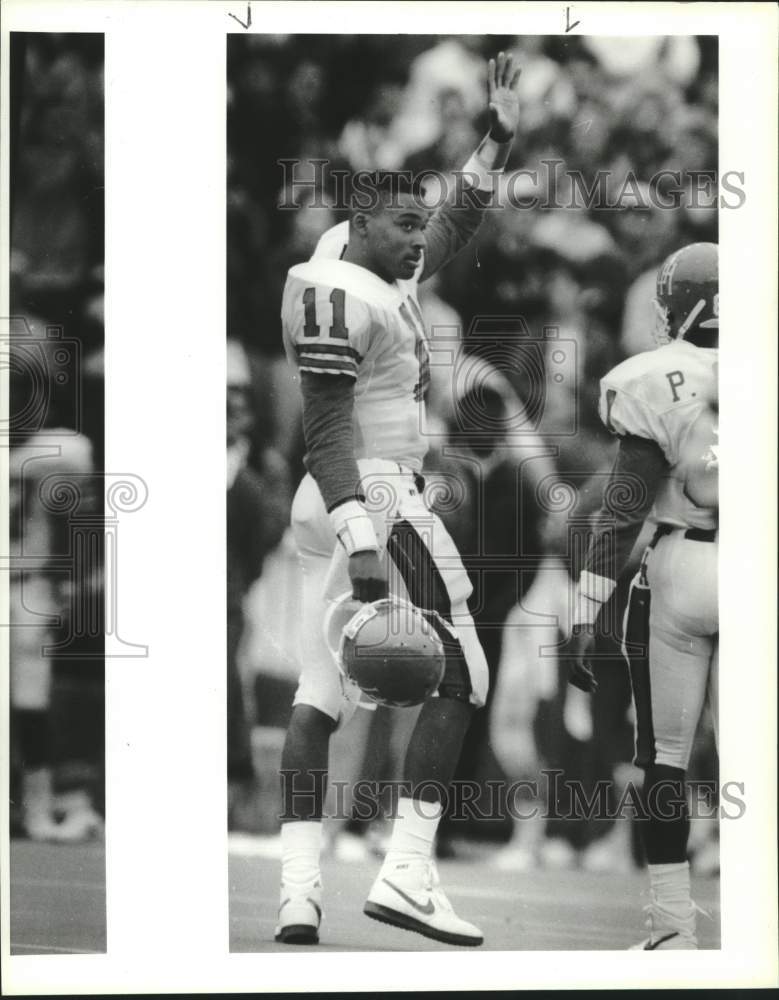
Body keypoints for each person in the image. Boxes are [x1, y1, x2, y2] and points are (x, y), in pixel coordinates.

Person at [276, 52, 521, 947]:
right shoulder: (341, 292)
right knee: (465, 669)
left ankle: (298, 893)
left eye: (418, 223)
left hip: (330, 503)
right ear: (361, 220)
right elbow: (328, 431)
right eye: (403, 225)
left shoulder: (361, 262)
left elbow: (450, 222)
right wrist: (369, 538)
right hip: (366, 490)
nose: (420, 239)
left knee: (318, 691)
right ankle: (408, 871)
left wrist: (494, 139)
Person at [567, 242, 719, 949]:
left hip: (685, 572)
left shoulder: (657, 378)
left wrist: (581, 609)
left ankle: (670, 926)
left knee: (666, 757)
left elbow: (621, 510)